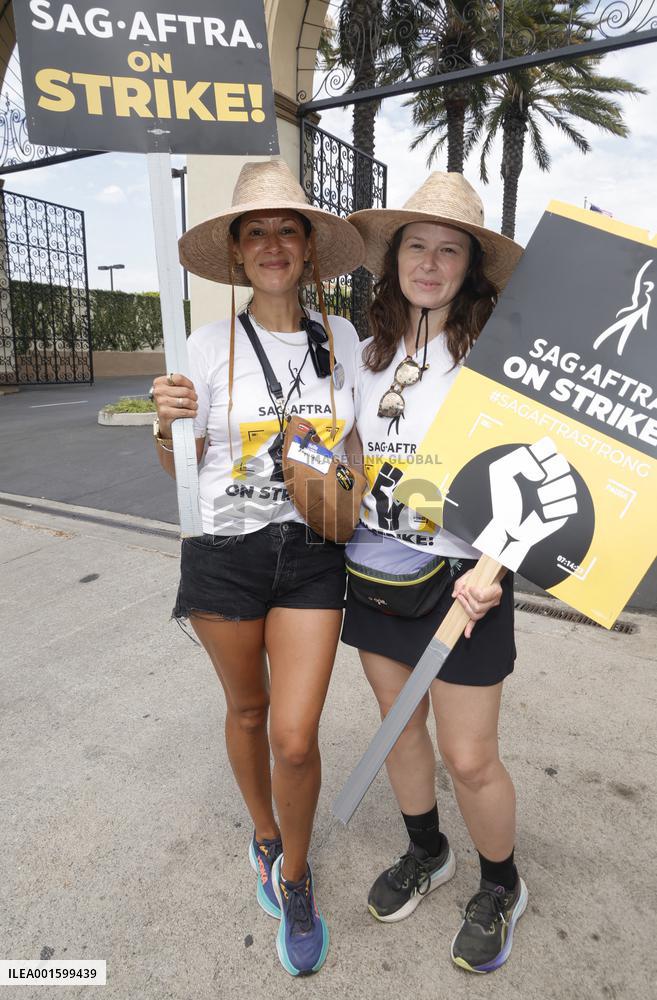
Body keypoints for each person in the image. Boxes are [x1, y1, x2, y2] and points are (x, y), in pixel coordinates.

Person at [151, 159, 364, 977]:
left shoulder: (341, 339)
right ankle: (266, 835)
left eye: (287, 230)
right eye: (256, 232)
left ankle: (297, 877)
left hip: (312, 555)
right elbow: (180, 468)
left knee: (296, 738)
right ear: (237, 253)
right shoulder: (206, 347)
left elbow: (353, 438)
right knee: (248, 711)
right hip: (224, 555)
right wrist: (166, 428)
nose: (272, 244)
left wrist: (351, 492)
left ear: (308, 250)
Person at [342, 172, 526, 973]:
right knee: (396, 727)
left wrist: (495, 567)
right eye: (415, 246)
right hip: (374, 571)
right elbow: (349, 455)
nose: (428, 262)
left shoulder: (495, 358)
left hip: (465, 582)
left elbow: (535, 466)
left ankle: (501, 884)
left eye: (448, 250)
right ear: (393, 260)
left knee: (469, 755)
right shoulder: (365, 356)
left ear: (470, 268)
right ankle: (427, 850)